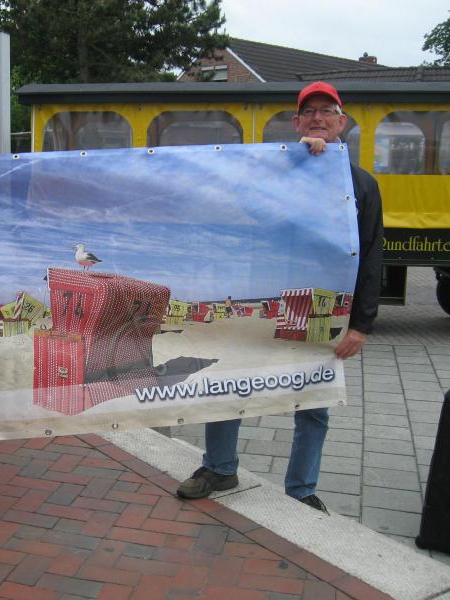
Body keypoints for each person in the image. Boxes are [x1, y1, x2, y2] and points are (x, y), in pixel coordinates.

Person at [176, 82, 383, 514]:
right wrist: (294, 165)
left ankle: (301, 491)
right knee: (229, 379)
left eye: (327, 111)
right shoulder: (273, 174)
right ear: (297, 122)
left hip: (323, 306)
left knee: (314, 402)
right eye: (309, 112)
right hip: (265, 300)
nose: (318, 118)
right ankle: (219, 467)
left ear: (341, 122)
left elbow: (371, 253)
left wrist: (361, 325)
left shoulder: (361, 184)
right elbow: (244, 214)